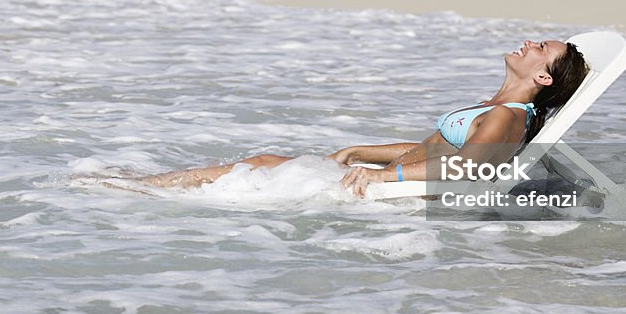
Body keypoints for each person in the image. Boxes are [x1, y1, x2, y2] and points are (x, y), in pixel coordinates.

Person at [112, 40, 589, 198]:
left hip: (390, 192)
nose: (529, 42)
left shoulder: (506, 118)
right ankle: (145, 185)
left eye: (541, 48)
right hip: (388, 178)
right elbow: (433, 150)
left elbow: (467, 169)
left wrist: (382, 176)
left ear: (544, 79)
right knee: (260, 163)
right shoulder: (496, 107)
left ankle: (139, 189)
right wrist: (363, 151)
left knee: (259, 166)